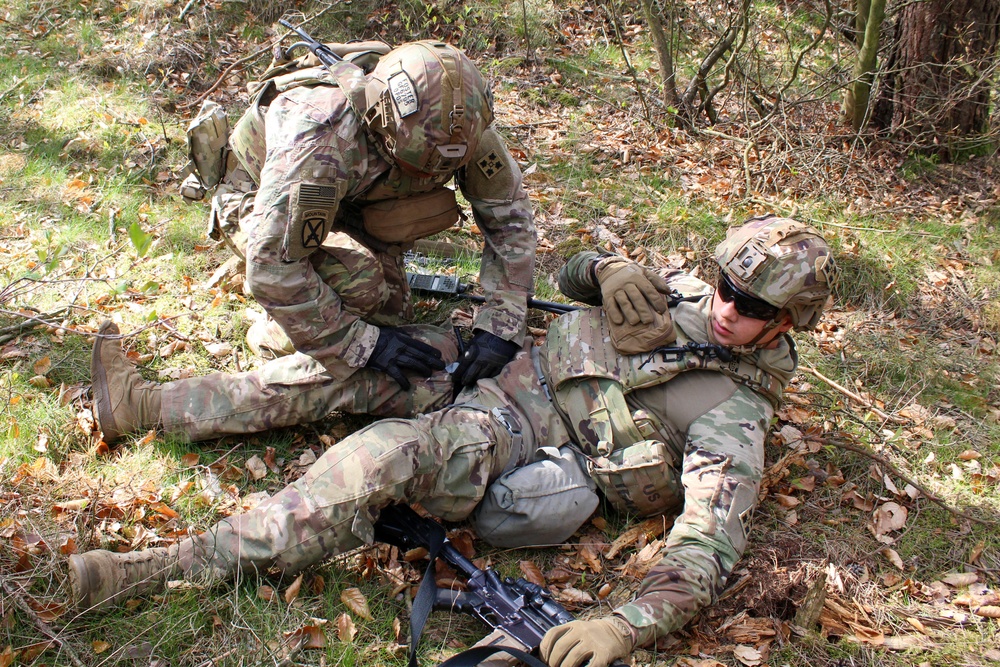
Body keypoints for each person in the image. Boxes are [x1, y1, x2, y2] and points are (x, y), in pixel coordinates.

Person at [72, 216, 836, 667]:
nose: (730, 307)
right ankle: (145, 406)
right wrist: (605, 268)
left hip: (523, 432)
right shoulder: (691, 294)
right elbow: (570, 270)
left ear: (787, 320)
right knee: (354, 359)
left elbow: (706, 544)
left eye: (752, 303)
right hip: (509, 361)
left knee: (390, 451)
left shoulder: (735, 414)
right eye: (727, 287)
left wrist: (622, 624)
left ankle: (171, 566)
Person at [172, 35, 537, 441]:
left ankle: (322, 309)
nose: (431, 176)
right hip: (258, 199)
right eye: (418, 166)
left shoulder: (461, 127)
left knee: (392, 315)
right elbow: (272, 264)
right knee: (362, 290)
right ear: (382, 122)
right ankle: (272, 332)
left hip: (346, 200)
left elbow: (510, 220)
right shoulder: (320, 135)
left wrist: (501, 325)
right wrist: (362, 344)